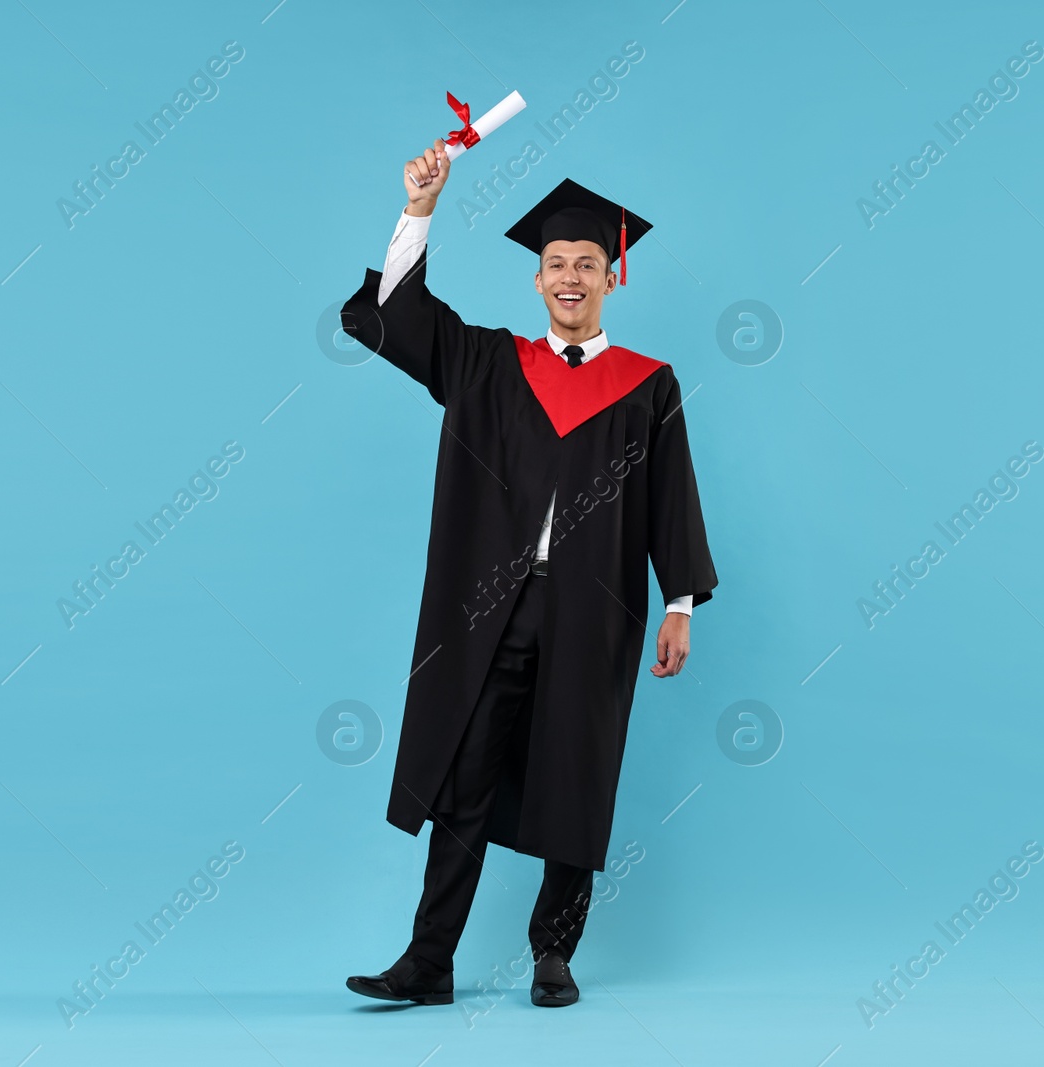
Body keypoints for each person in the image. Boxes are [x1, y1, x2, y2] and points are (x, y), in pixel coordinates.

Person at [342, 139, 718, 1009]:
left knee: (575, 771)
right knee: (464, 772)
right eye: (556, 263)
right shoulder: (489, 364)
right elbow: (396, 315)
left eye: (588, 262)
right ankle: (427, 960)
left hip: (599, 609)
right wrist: (422, 207)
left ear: (612, 277)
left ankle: (554, 953)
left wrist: (681, 601)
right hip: (493, 611)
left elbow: (672, 495)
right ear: (537, 279)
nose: (571, 276)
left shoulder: (646, 387)